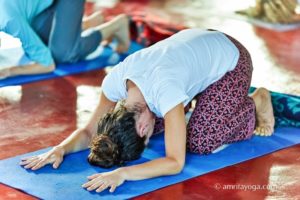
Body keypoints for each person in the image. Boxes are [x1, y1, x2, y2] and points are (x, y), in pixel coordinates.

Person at [20, 28, 275, 193]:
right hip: (196, 51)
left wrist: (123, 174)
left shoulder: (165, 91)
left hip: (232, 59)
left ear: (141, 127)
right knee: (164, 127)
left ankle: (256, 102)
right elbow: (89, 130)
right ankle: (201, 98)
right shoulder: (115, 82)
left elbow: (175, 163)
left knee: (200, 141)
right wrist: (59, 149)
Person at [0, 0, 130, 79]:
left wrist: (8, 71)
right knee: (42, 42)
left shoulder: (9, 20)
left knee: (62, 54)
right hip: (43, 5)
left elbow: (47, 65)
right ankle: (88, 23)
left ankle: (116, 25)